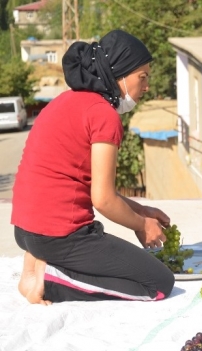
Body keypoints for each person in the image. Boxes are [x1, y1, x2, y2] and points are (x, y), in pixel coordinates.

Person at [11, 30, 175, 305]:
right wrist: (143, 225)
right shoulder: (104, 115)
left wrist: (141, 210)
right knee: (158, 283)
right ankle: (47, 280)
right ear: (119, 75)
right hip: (58, 235)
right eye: (142, 77)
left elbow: (87, 185)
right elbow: (103, 199)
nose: (146, 87)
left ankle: (39, 260)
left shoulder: (65, 100)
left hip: (26, 230)